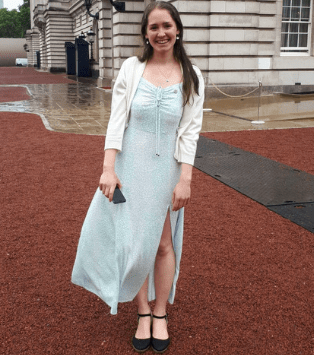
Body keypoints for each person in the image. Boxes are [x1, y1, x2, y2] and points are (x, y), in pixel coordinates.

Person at [71, 1, 204, 353]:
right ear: (145, 33)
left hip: (167, 172)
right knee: (134, 242)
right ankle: (142, 311)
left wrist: (185, 179)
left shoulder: (193, 76)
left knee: (161, 243)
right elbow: (117, 121)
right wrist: (108, 168)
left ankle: (160, 313)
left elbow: (190, 132)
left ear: (178, 30)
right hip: (130, 166)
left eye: (167, 26)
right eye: (154, 27)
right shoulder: (132, 68)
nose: (161, 33)